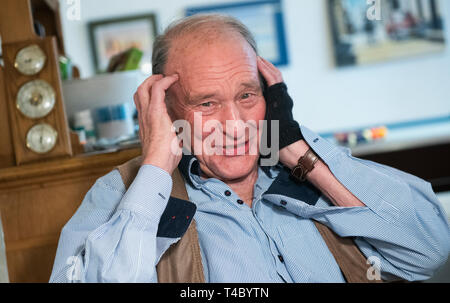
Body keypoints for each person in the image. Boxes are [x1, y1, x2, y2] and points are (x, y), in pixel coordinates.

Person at [50, 14, 449, 283]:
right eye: (206, 103)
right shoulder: (119, 193)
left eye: (247, 95)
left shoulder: (302, 162)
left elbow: (429, 250)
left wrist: (301, 154)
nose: (235, 123)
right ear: (165, 107)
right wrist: (155, 167)